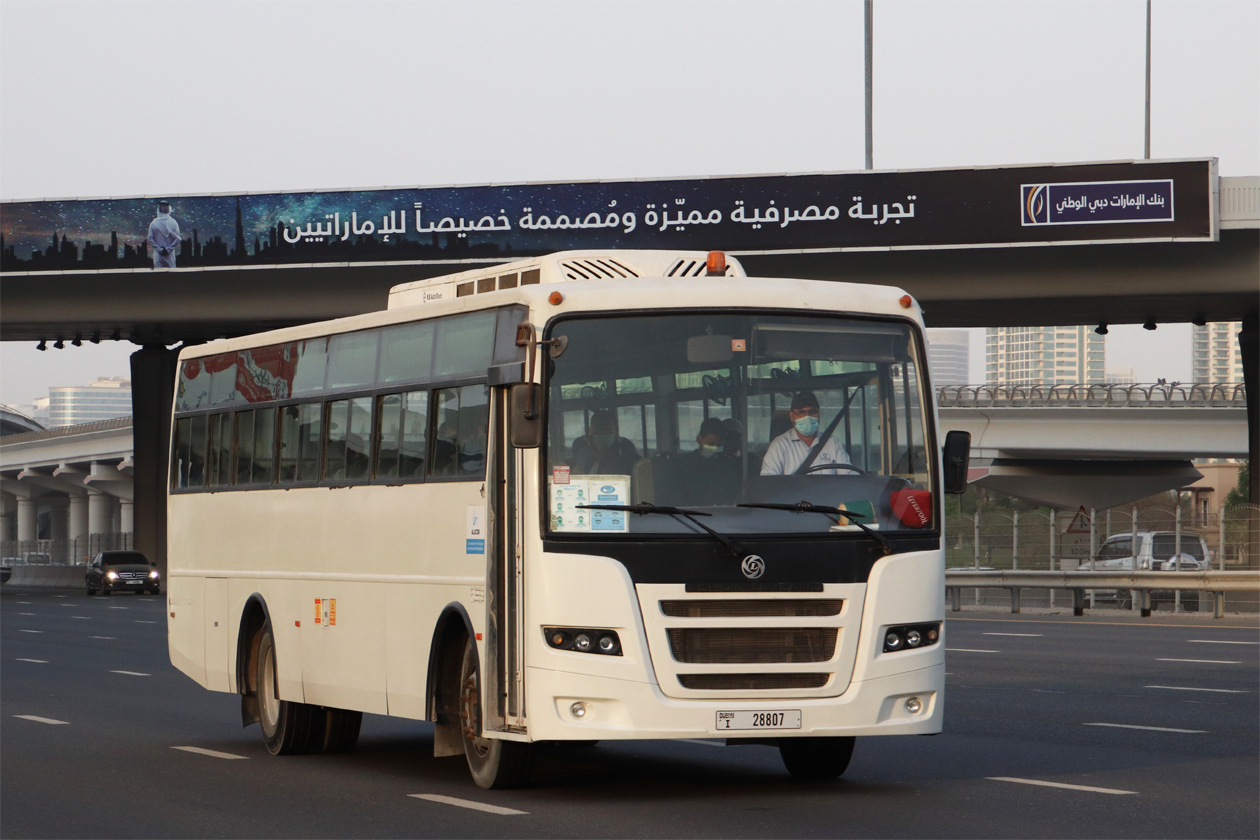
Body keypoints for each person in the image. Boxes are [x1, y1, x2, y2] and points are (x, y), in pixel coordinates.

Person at [760, 390, 853, 475]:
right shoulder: (779, 445)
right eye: (801, 412)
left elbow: (849, 477)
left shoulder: (833, 443)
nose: (807, 416)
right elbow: (769, 481)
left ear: (819, 414)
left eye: (812, 412)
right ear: (792, 416)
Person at [571, 409, 639, 475]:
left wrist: (606, 456)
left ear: (615, 430)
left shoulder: (625, 445)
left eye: (608, 429)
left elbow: (635, 467)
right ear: (590, 430)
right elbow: (583, 463)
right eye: (599, 428)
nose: (603, 432)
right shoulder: (582, 443)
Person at [147, 201, 181, 268]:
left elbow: (151, 239)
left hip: (158, 255)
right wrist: (168, 250)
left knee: (158, 275)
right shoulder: (173, 222)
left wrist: (160, 250)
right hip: (170, 255)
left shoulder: (153, 223)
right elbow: (177, 239)